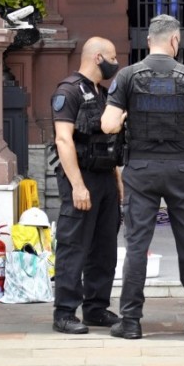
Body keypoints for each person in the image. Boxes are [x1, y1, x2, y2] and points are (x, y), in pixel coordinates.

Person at [100, 14, 184, 339]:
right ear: (175, 40)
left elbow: (108, 125)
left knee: (137, 245)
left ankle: (130, 321)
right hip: (182, 170)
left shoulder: (127, 76)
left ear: (149, 40)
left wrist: (127, 115)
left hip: (141, 169)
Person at [50, 37, 124, 334]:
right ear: (97, 58)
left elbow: (109, 141)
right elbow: (63, 140)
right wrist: (78, 186)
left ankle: (96, 308)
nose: (115, 63)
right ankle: (65, 312)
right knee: (74, 247)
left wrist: (117, 181)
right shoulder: (68, 91)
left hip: (105, 178)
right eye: (112, 57)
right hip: (80, 177)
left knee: (104, 248)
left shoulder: (104, 94)